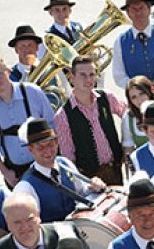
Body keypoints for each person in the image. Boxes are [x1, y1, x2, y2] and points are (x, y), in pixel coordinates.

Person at [0, 55, 56, 188]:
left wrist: (53, 161)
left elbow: (53, 125)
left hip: (44, 163)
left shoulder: (33, 92)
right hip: (14, 171)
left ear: (8, 71)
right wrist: (5, 172)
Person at [12, 118, 104, 223]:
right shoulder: (25, 187)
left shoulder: (65, 163)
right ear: (30, 149)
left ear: (56, 143)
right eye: (40, 147)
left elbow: (82, 192)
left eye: (50, 144)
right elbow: (30, 224)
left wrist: (94, 186)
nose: (47, 151)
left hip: (78, 227)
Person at [54, 54, 127, 186]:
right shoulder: (62, 116)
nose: (88, 79)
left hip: (115, 171)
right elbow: (67, 159)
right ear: (72, 77)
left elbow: (127, 114)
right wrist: (83, 183)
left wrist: (127, 143)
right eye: (83, 75)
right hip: (89, 179)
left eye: (92, 74)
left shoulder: (107, 97)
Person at [122, 76, 154, 152]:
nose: (139, 100)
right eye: (134, 97)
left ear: (149, 92)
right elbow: (128, 147)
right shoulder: (128, 118)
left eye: (142, 93)